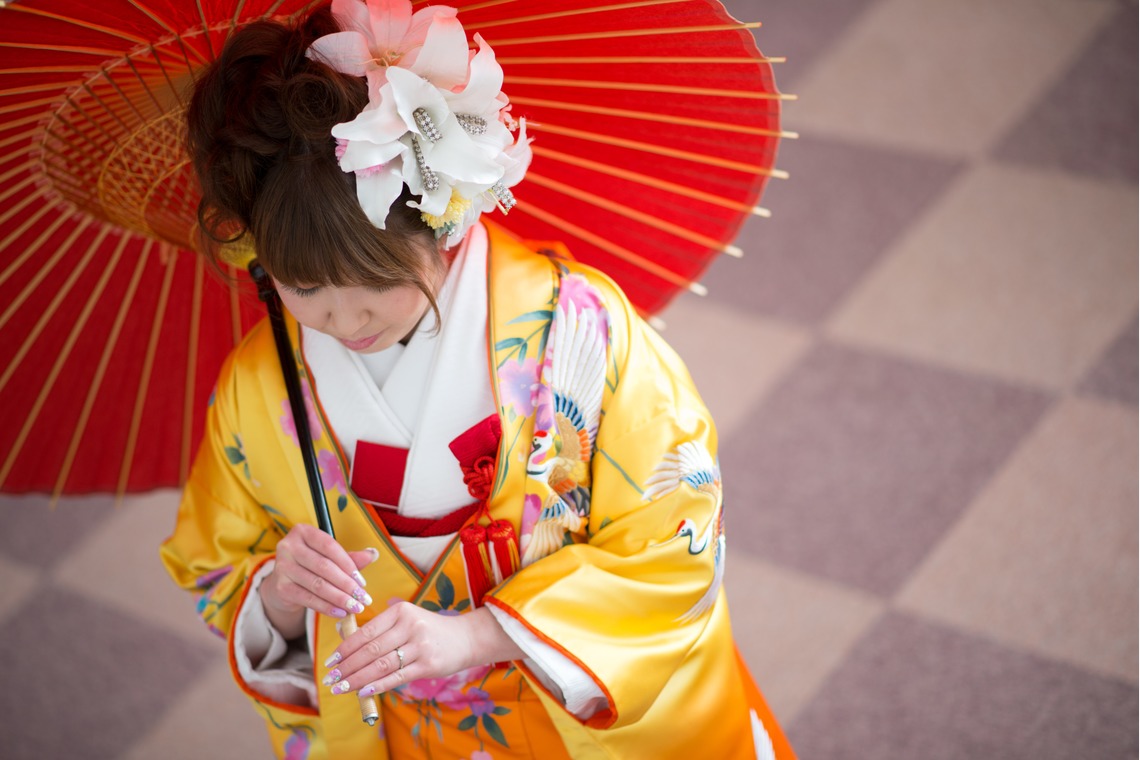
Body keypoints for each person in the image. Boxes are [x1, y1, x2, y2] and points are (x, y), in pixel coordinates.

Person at [160, 1, 796, 758]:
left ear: (441, 214)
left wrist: (478, 635)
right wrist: (280, 595)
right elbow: (214, 563)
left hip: (578, 716)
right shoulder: (257, 392)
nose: (341, 319)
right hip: (406, 734)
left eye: (372, 283)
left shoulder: (576, 330)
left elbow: (674, 532)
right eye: (303, 290)